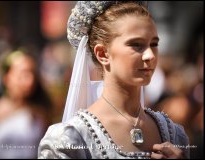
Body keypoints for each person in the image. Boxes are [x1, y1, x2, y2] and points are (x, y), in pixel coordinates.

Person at [38, 1, 190, 159]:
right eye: (136, 45)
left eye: (154, 44)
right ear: (103, 54)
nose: (150, 55)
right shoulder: (71, 139)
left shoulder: (174, 134)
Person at [0, 49, 52, 158]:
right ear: (6, 77)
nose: (30, 80)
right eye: (23, 74)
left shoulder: (40, 113)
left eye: (32, 74)